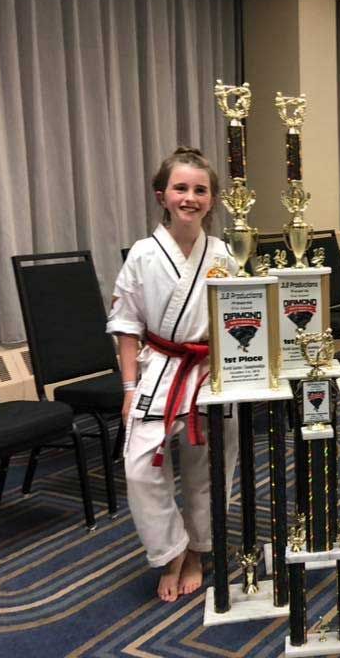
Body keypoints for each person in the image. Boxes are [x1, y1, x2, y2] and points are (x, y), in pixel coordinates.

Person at [107, 147, 239, 602]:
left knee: (209, 465)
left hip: (210, 370)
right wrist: (128, 388)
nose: (190, 197)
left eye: (200, 190)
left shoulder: (223, 253)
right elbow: (125, 326)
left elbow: (241, 317)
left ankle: (199, 550)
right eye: (180, 188)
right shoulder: (143, 255)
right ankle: (170, 551)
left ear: (212, 199)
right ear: (161, 195)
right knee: (141, 466)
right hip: (159, 369)